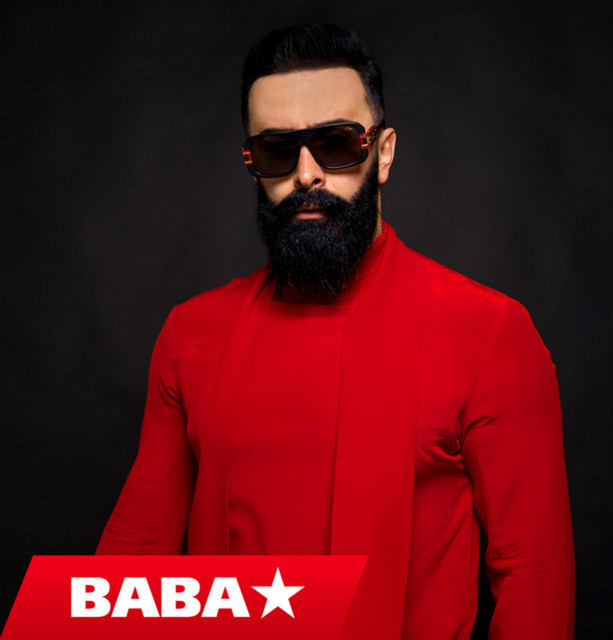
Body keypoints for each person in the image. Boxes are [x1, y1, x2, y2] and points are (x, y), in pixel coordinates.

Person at [97, 22, 575, 639]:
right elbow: (135, 554)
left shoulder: (490, 333)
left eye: (336, 143)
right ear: (252, 164)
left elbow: (534, 576)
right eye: (277, 150)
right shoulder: (191, 333)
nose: (307, 175)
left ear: (383, 152)